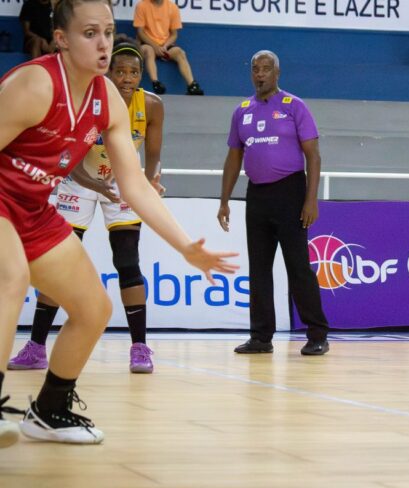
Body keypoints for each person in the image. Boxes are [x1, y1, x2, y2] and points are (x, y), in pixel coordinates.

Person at [0, 0, 237, 447]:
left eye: (108, 31)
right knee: (10, 279)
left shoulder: (107, 98)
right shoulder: (34, 84)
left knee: (94, 309)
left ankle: (49, 411)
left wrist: (185, 246)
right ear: (61, 39)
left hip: (33, 208)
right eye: (90, 33)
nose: (104, 43)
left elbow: (136, 186)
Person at [8, 36, 165, 375]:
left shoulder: (151, 105)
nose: (126, 78)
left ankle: (139, 347)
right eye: (119, 71)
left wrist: (149, 180)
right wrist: (94, 184)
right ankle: (36, 346)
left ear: (141, 75)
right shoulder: (94, 99)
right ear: (108, 73)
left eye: (134, 72)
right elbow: (70, 152)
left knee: (128, 260)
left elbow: (152, 152)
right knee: (56, 262)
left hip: (122, 183)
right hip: (78, 181)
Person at [217, 50, 330, 357]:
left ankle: (317, 333)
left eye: (266, 69)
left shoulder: (295, 107)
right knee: (259, 268)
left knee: (297, 267)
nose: (260, 74)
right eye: (255, 69)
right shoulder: (242, 111)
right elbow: (233, 157)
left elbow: (314, 156)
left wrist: (311, 199)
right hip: (257, 195)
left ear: (277, 73)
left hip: (290, 192)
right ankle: (260, 336)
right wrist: (224, 200)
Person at [133, 0, 203, 95]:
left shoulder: (172, 7)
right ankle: (156, 83)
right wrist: (155, 46)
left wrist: (165, 46)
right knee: (149, 51)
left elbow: (174, 35)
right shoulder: (141, 6)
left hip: (165, 45)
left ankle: (192, 85)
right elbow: (140, 32)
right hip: (147, 43)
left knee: (180, 53)